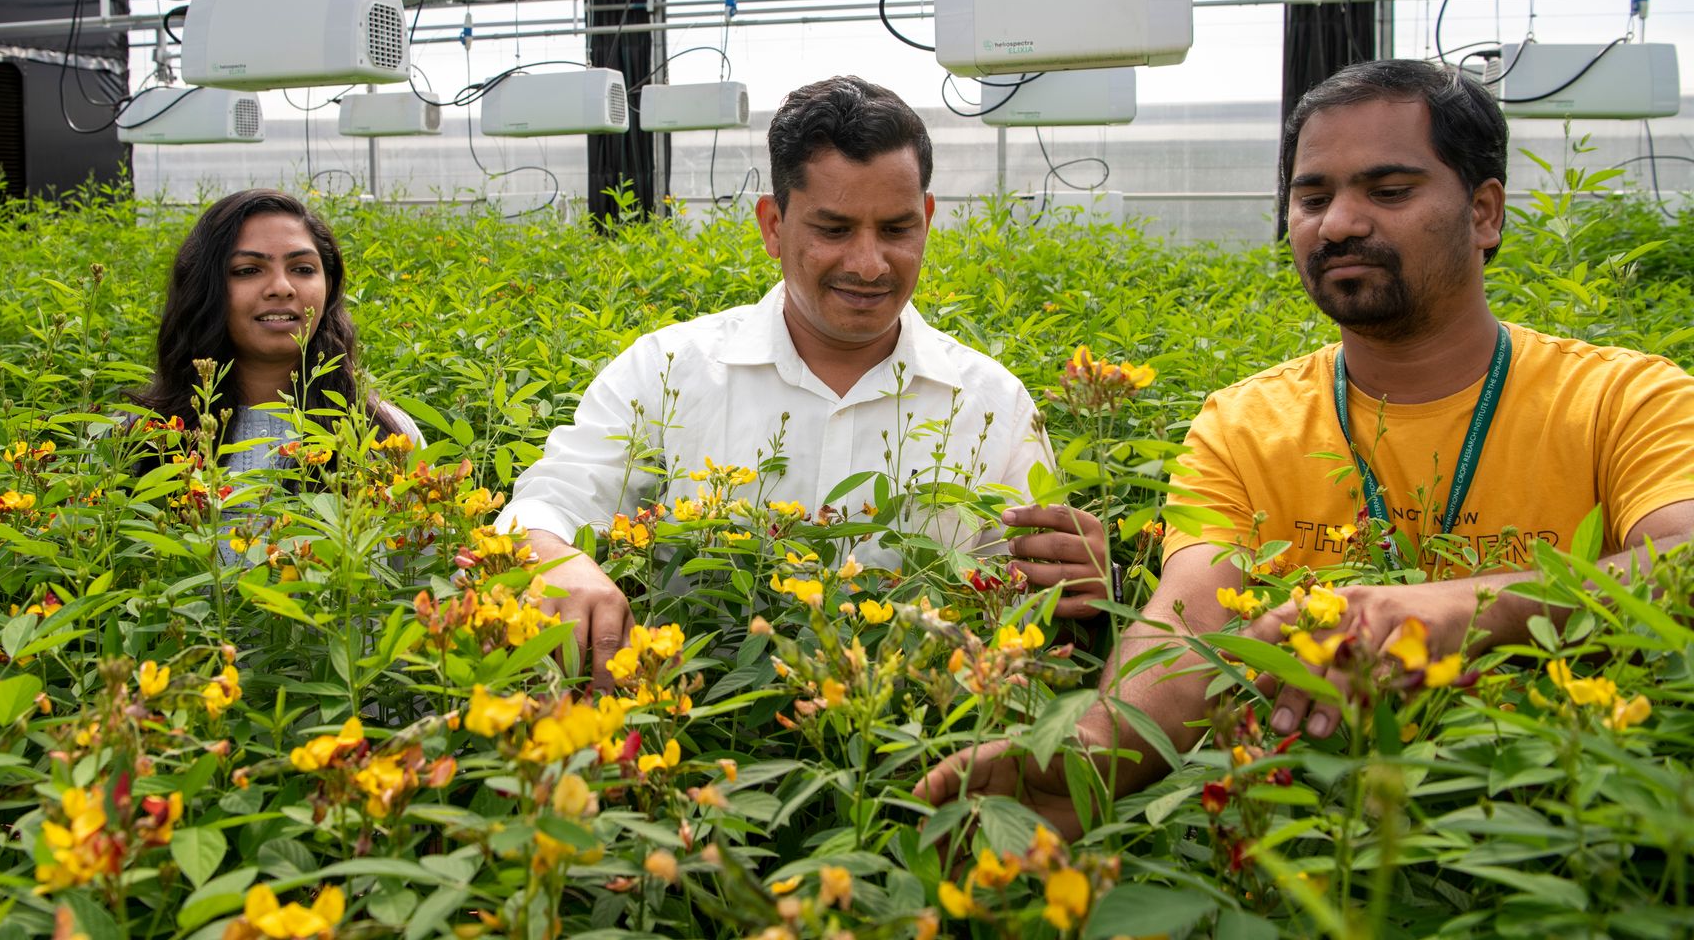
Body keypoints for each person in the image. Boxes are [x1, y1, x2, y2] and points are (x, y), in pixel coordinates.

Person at [922, 58, 1694, 831]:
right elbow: (1191, 620)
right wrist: (1099, 748)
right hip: (1303, 844)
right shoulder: (1242, 425)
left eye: (1389, 192)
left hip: (1574, 834)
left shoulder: (1626, 401)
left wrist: (1467, 608)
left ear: (1485, 212)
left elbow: (1682, 561)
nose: (1339, 223)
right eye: (1312, 196)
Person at [499, 75, 1110, 680]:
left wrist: (1081, 589)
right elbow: (552, 499)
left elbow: (1032, 608)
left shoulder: (991, 405)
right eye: (834, 229)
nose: (869, 264)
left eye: (896, 229)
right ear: (773, 225)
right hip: (703, 729)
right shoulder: (665, 372)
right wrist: (550, 553)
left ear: (926, 218)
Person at [130, 188, 422, 473]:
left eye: (303, 269)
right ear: (203, 288)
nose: (281, 288)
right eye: (248, 270)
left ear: (328, 286)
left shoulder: (385, 437)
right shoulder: (138, 437)